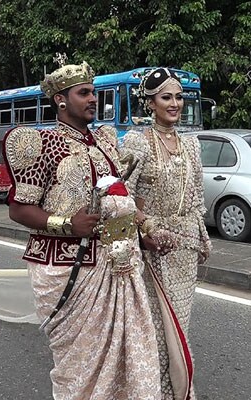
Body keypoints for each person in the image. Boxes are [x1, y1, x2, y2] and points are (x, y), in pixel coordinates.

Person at [2, 61, 162, 399]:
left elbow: (122, 196)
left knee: (134, 356)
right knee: (78, 366)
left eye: (93, 92)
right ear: (61, 99)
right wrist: (66, 225)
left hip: (119, 264)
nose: (93, 98)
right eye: (84, 93)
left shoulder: (105, 141)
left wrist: (144, 231)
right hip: (67, 268)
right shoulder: (40, 144)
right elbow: (18, 208)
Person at [119, 67, 211, 399]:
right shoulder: (136, 142)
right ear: (150, 103)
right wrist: (146, 226)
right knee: (158, 332)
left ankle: (179, 391)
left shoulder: (192, 144)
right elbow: (118, 195)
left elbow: (196, 197)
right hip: (154, 252)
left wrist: (201, 236)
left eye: (178, 97)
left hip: (184, 251)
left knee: (181, 329)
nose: (174, 104)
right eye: (166, 97)